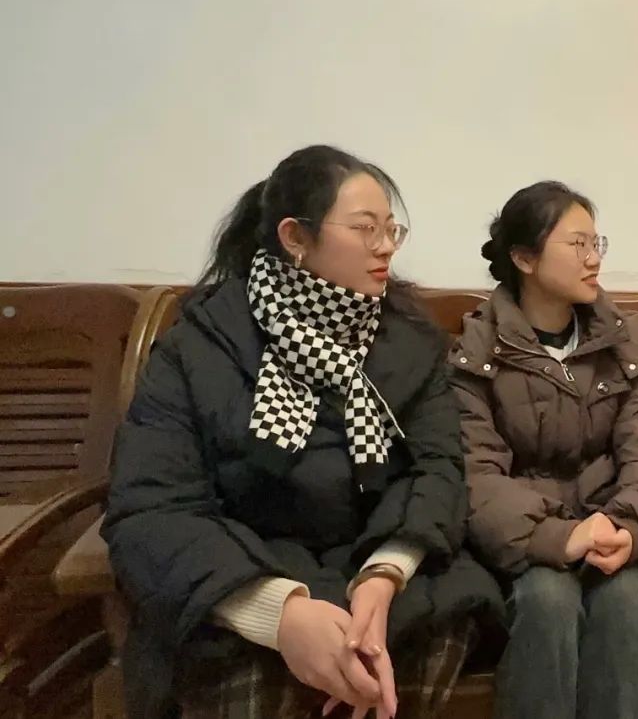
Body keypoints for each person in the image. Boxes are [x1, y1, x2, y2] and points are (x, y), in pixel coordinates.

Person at [104, 144, 502, 719]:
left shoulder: (411, 340)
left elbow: (437, 470)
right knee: (237, 665)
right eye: (365, 228)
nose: (386, 246)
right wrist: (279, 614)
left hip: (381, 577)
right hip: (243, 577)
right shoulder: (199, 344)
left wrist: (385, 574)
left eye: (391, 229)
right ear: (295, 237)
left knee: (423, 632)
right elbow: (152, 506)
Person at [449, 181, 638, 719]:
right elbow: (475, 476)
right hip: (522, 546)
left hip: (611, 530)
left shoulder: (622, 342)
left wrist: (629, 530)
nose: (593, 258)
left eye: (596, 243)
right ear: (524, 258)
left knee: (626, 599)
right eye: (577, 244)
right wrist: (560, 537)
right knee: (547, 599)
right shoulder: (479, 350)